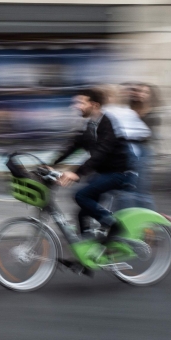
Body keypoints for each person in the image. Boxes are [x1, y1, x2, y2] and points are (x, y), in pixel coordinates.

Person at [52, 87, 135, 242]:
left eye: (81, 102)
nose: (76, 106)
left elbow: (101, 153)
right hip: (104, 173)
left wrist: (78, 173)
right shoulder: (90, 125)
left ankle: (114, 225)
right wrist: (51, 164)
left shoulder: (108, 124)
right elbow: (73, 146)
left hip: (119, 173)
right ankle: (87, 258)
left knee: (81, 195)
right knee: (82, 213)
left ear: (94, 105)